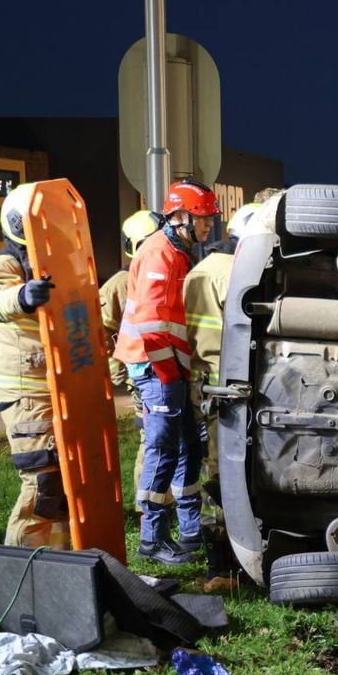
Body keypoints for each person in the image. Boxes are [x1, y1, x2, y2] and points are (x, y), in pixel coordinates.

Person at [114, 178, 220, 565]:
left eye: (210, 218)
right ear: (179, 216)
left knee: (189, 447)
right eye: (202, 217)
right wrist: (170, 374)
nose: (209, 225)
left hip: (172, 366)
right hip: (156, 366)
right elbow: (150, 325)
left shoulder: (177, 250)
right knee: (163, 450)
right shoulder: (160, 254)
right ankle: (152, 539)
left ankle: (190, 531)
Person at [184, 200, 261, 587]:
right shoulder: (231, 273)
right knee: (224, 475)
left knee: (226, 471)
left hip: (221, 388)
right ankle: (224, 567)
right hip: (226, 390)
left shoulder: (206, 271)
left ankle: (230, 562)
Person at [0, 182, 68, 548]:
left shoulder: (52, 263)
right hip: (25, 393)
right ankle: (19, 576)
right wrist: (22, 296)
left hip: (55, 390)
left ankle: (59, 568)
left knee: (66, 485)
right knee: (42, 485)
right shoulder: (6, 264)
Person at [101, 210, 162, 500]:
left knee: (166, 440)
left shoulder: (166, 274)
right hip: (142, 374)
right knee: (150, 439)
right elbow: (100, 328)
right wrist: (120, 373)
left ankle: (163, 501)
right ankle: (147, 507)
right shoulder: (120, 283)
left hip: (168, 371)